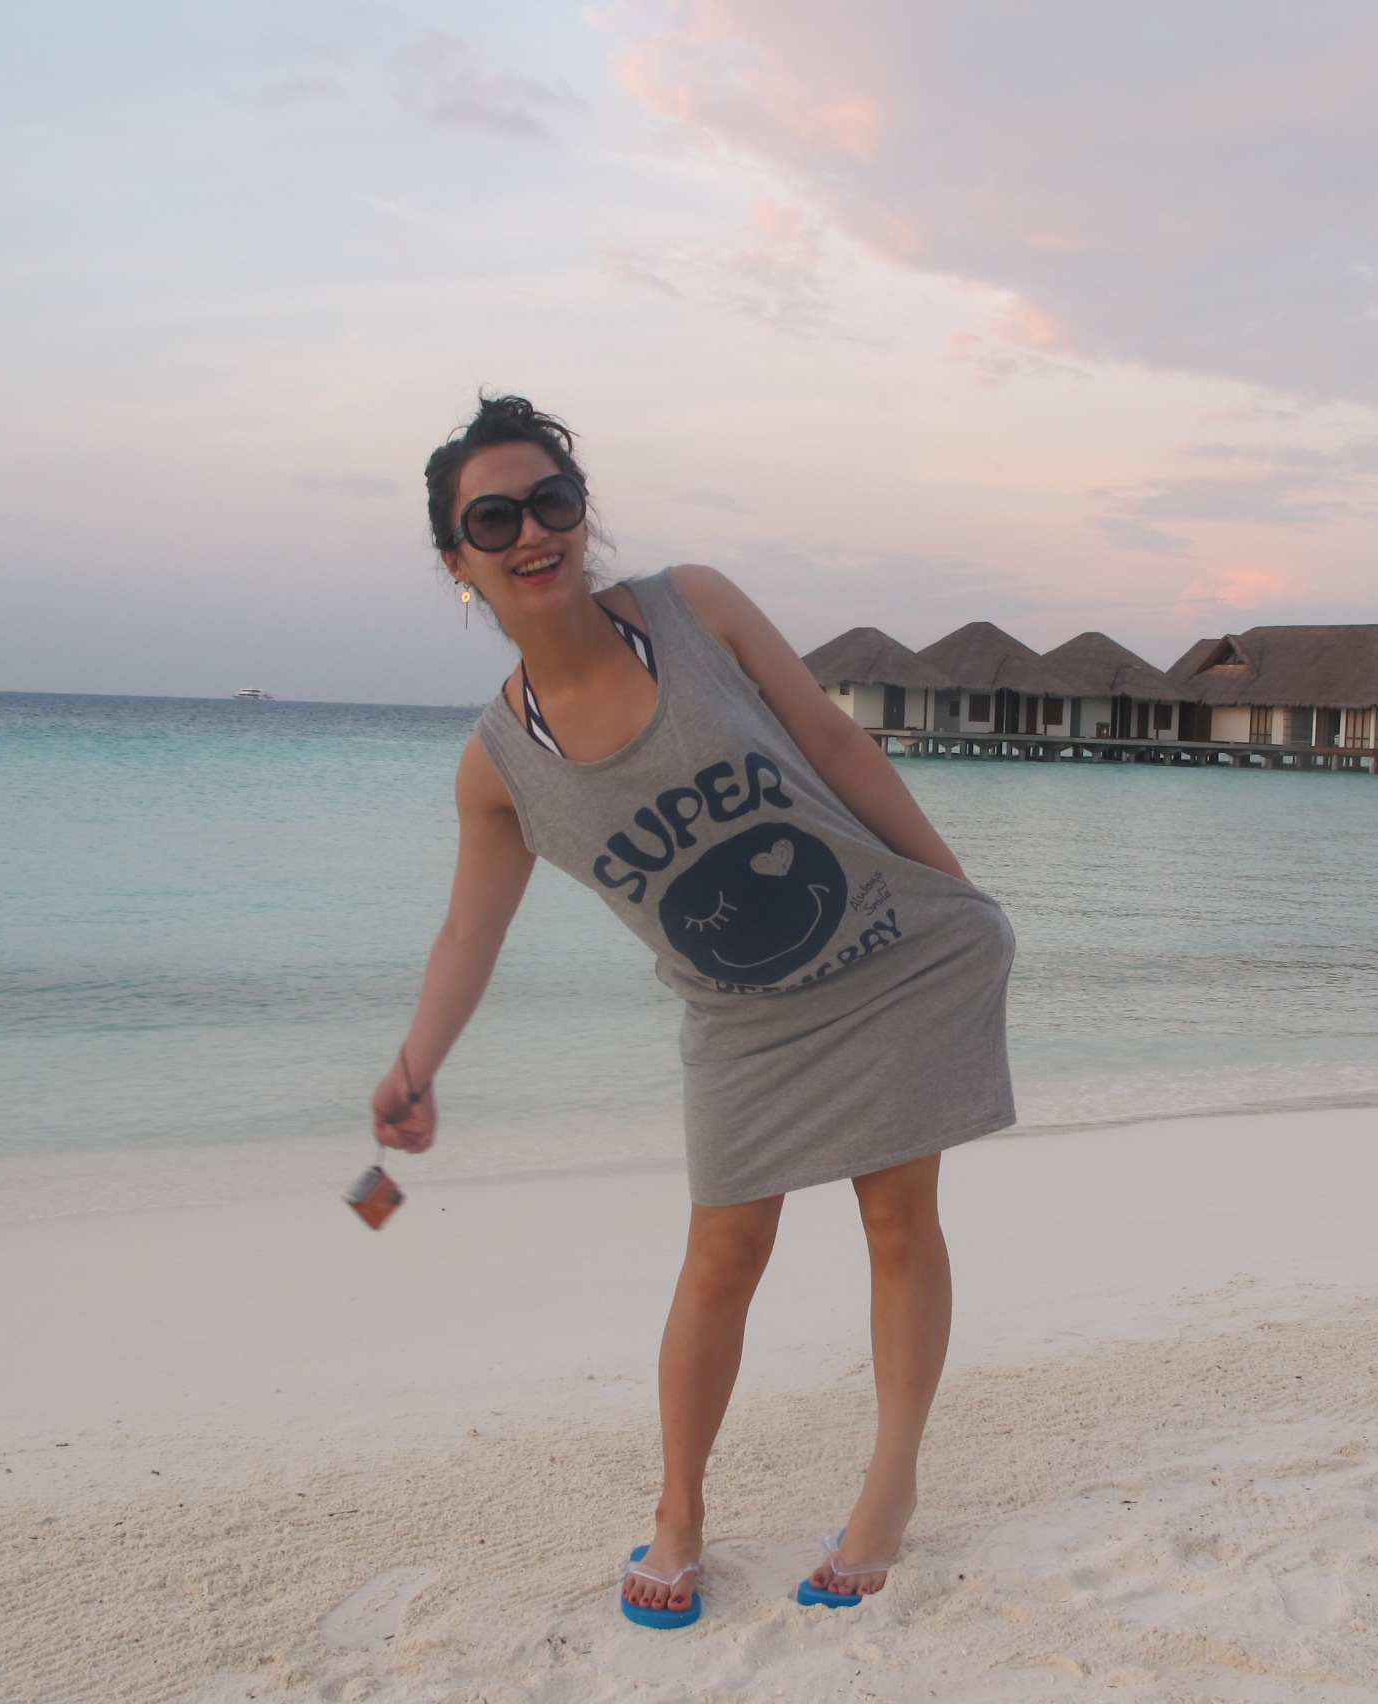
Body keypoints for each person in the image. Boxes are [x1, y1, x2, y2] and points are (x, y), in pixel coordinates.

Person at [370, 396, 1017, 1628]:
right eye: (493, 520)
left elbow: (834, 744)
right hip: (740, 1024)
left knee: (897, 1225)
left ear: (581, 512)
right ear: (458, 561)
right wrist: (415, 1065)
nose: (531, 533)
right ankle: (679, 1512)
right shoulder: (499, 765)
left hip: (884, 958)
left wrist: (954, 890)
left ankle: (888, 1489)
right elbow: (468, 933)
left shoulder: (695, 608)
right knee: (721, 1260)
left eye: (551, 500)